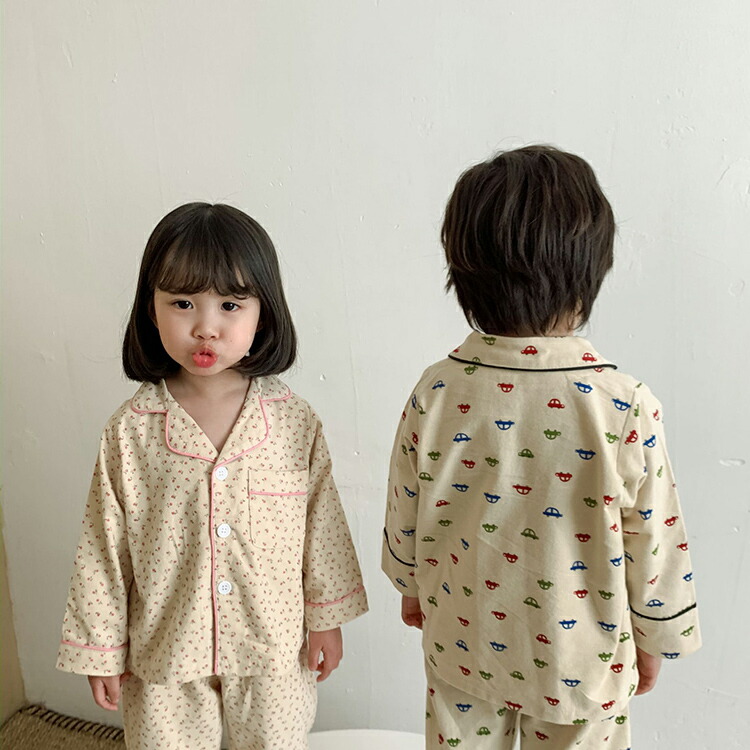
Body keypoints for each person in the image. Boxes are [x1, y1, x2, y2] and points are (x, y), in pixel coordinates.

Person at [382, 146, 701, 749]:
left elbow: (407, 503)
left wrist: (411, 585)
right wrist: (657, 635)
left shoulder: (439, 389)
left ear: (464, 271)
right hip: (581, 658)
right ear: (590, 271)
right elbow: (655, 534)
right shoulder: (621, 403)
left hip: (464, 641)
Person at [57, 203, 368, 749]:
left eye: (230, 305)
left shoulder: (294, 422)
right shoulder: (131, 431)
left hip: (274, 648)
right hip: (164, 650)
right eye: (182, 303)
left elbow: (322, 528)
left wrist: (326, 617)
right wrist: (100, 648)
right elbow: (104, 548)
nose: (206, 326)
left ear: (262, 314)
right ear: (150, 310)